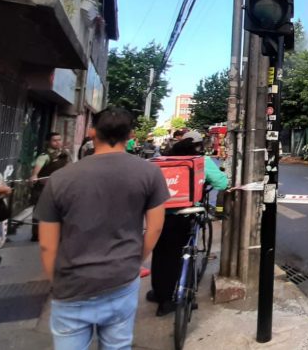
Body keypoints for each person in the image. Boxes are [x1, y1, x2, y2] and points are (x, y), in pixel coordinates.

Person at [35, 106, 168, 349]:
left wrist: (56, 282)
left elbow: (47, 244)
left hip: (71, 286)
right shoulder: (150, 173)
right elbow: (155, 228)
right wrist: (134, 260)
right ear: (130, 136)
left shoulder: (61, 178)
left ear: (91, 132)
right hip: (122, 279)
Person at [148, 130, 228, 316]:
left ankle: (160, 294)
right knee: (183, 254)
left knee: (160, 256)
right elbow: (222, 183)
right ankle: (181, 296)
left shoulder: (162, 160)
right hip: (186, 215)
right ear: (199, 145)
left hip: (160, 215)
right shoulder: (201, 161)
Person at [29, 132, 70, 241]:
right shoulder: (45, 156)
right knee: (39, 211)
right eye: (54, 140)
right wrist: (34, 175)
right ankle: (37, 234)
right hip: (43, 188)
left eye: (59, 139)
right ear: (48, 142)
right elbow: (37, 168)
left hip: (59, 187)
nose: (58, 142)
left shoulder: (64, 154)